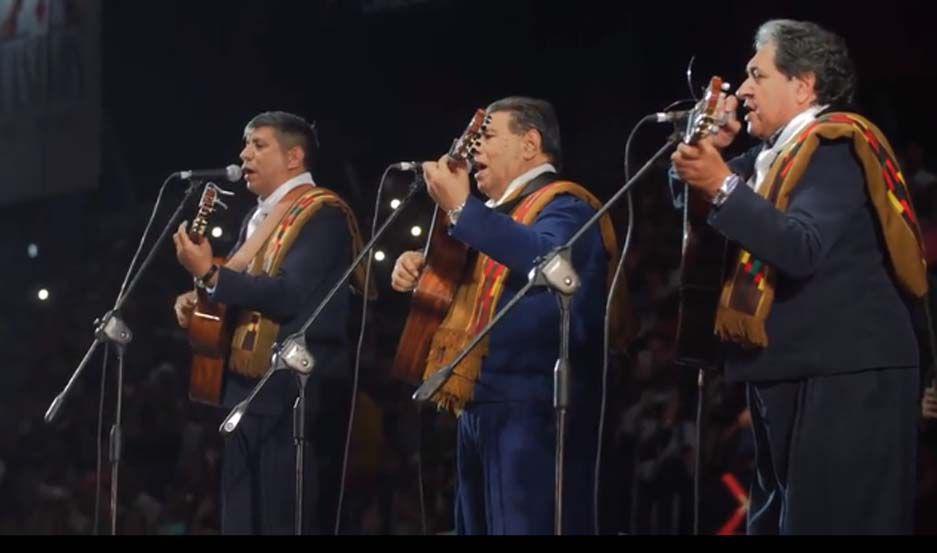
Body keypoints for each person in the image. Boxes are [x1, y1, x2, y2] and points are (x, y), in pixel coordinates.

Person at [671, 20, 927, 534]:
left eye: (757, 75)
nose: (742, 91)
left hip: (845, 376)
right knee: (780, 523)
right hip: (787, 370)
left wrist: (722, 183)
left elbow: (802, 247)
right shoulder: (774, 154)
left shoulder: (837, 143)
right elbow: (689, 196)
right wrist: (706, 147)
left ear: (804, 85)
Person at [391, 97, 631, 534]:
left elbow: (547, 257)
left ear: (530, 144)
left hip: (533, 407)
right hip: (478, 404)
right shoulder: (491, 216)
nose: (473, 149)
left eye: (486, 137)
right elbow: (476, 285)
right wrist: (425, 269)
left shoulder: (566, 204)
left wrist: (462, 208)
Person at [173, 111, 367, 534]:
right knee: (241, 519)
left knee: (283, 519)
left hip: (293, 393)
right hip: (247, 388)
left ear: (294, 157)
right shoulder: (257, 216)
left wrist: (212, 276)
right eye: (246, 144)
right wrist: (204, 291)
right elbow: (240, 286)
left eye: (258, 145)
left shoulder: (323, 214)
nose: (244, 154)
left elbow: (289, 294)